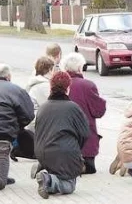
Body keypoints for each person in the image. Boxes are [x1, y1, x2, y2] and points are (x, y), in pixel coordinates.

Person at [34, 71, 90, 199]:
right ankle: (48, 179)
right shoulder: (73, 108)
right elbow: (85, 133)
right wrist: (75, 149)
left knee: (58, 168)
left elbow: (37, 131)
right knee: (69, 185)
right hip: (64, 152)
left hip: (42, 152)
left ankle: (45, 171)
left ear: (51, 87)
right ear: (68, 88)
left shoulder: (43, 107)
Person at [61, 53, 106, 174]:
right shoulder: (87, 85)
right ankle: (79, 166)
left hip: (63, 139)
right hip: (85, 142)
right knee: (90, 169)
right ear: (80, 68)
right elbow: (99, 111)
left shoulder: (60, 85)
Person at [0, 63, 34, 190]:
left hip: (3, 136)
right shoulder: (16, 90)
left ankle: (1, 174)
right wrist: (17, 127)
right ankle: (1, 176)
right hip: (3, 136)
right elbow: (28, 115)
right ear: (8, 76)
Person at [26, 56, 55, 132]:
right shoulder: (44, 86)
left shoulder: (33, 83)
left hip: (31, 122)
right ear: (49, 70)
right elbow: (50, 107)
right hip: (37, 124)